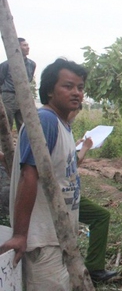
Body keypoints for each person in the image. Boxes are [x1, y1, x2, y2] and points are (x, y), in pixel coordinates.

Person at [0, 58, 86, 290]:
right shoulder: (45, 120)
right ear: (49, 91)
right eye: (68, 86)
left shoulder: (62, 123)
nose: (76, 93)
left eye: (80, 87)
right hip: (43, 240)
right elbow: (29, 175)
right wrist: (20, 234)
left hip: (58, 237)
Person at [69, 107, 118, 283]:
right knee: (101, 216)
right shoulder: (55, 125)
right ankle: (94, 269)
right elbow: (72, 163)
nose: (75, 114)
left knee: (100, 216)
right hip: (64, 194)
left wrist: (76, 145)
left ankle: (93, 268)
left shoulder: (63, 128)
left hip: (69, 192)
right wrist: (85, 148)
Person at [0, 37, 36, 131]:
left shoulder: (32, 64)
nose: (28, 47)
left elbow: (29, 79)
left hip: (24, 97)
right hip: (9, 96)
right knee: (6, 124)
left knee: (24, 125)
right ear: (17, 47)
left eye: (27, 45)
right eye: (24, 45)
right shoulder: (6, 65)